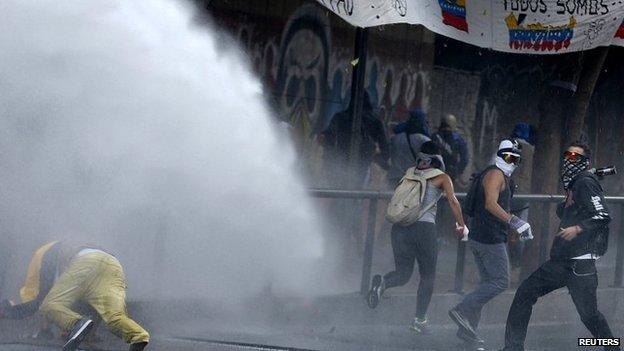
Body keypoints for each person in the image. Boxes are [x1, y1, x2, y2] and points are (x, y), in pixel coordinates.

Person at [500, 142, 619, 351]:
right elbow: (567, 212)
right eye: (567, 155)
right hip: (562, 262)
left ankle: (612, 347)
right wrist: (566, 205)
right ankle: (513, 348)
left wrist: (578, 228)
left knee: (589, 316)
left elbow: (603, 215)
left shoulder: (585, 183)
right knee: (525, 293)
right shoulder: (576, 184)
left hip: (579, 265)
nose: (569, 159)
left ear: (585, 162)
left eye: (575, 156)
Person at [367, 141, 469, 334]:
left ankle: (384, 282)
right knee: (428, 275)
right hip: (423, 230)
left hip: (399, 228)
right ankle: (419, 320)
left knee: (403, 273)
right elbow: (454, 202)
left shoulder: (409, 173)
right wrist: (461, 224)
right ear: (438, 158)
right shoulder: (442, 177)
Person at [449, 139, 532, 348]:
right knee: (500, 281)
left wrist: (515, 227)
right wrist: (514, 221)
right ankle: (462, 311)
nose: (512, 162)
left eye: (516, 158)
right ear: (500, 155)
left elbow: (497, 205)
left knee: (486, 282)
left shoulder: (495, 173)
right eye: (508, 157)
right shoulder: (495, 174)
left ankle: (467, 329)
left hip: (484, 236)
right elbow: (490, 204)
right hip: (488, 238)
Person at [0, 241, 150, 351]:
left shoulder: (52, 252)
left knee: (49, 304)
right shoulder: (80, 247)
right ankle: (138, 336)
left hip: (87, 260)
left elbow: (43, 298)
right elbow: (94, 308)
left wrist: (46, 329)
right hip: (113, 264)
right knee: (114, 316)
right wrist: (89, 334)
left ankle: (76, 324)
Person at [321, 90, 390, 188]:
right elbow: (386, 149)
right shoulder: (375, 120)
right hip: (363, 163)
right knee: (357, 193)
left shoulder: (341, 117)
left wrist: (333, 155)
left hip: (342, 160)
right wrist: (375, 156)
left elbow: (327, 137)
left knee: (340, 192)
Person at [509, 123, 536, 273]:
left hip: (508, 193)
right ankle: (517, 262)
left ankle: (508, 261)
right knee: (520, 228)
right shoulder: (533, 151)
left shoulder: (508, 147)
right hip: (526, 195)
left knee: (504, 226)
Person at [388, 108, 431, 186]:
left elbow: (390, 155)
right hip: (415, 179)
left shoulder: (396, 138)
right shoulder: (425, 140)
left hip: (395, 178)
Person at [431, 114, 469, 182]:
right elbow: (465, 158)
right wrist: (459, 171)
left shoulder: (435, 137)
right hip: (451, 172)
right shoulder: (458, 139)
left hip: (436, 171)